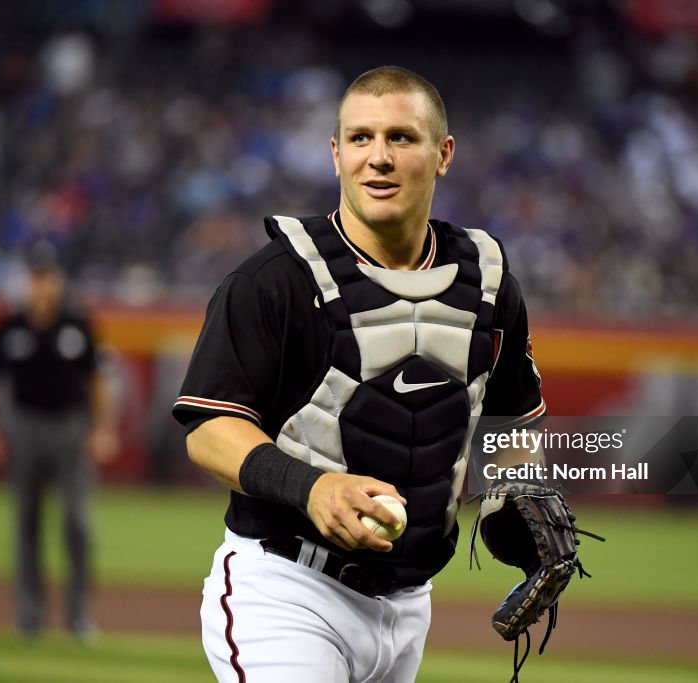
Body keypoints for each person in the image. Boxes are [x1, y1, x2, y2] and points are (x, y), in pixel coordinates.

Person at [174, 66, 545, 681]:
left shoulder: (489, 280)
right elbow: (209, 429)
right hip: (286, 590)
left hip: (409, 606)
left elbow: (510, 427)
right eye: (361, 138)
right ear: (336, 153)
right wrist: (312, 488)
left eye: (401, 137)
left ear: (443, 154)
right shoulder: (275, 280)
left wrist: (513, 498)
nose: (378, 157)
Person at [0, 241, 117, 639]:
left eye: (47, 277)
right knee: (27, 523)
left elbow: (97, 381)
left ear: (58, 281)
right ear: (26, 282)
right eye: (35, 278)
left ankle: (79, 618)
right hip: (24, 427)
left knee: (76, 523)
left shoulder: (77, 323)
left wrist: (103, 429)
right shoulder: (8, 325)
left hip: (70, 427)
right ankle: (29, 618)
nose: (41, 285)